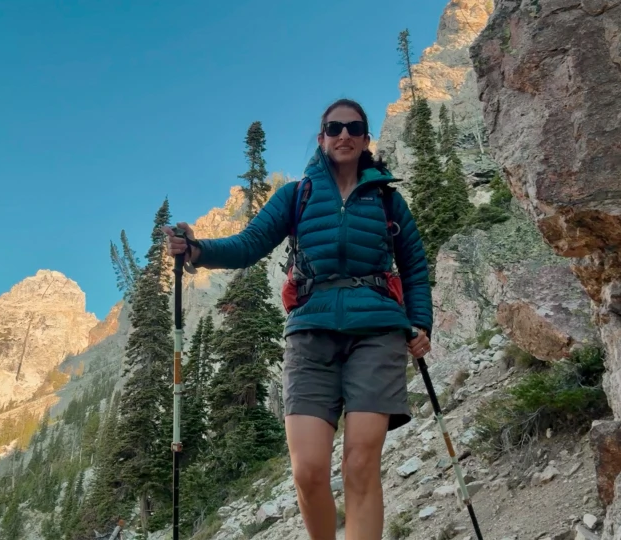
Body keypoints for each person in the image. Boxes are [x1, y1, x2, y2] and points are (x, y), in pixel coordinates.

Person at [162, 98, 433, 540]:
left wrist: (420, 323)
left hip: (377, 332)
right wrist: (197, 251)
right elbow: (250, 243)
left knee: (361, 465)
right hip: (310, 335)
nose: (343, 134)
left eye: (353, 127)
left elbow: (415, 268)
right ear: (322, 136)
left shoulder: (388, 200)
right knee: (308, 471)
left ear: (366, 138)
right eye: (333, 127)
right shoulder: (297, 195)